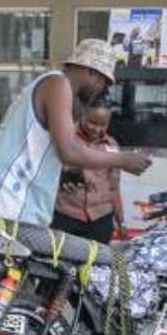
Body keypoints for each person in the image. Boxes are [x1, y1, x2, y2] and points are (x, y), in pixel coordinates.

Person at [0, 39, 151, 228]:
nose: (101, 91)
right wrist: (122, 159)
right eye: (104, 83)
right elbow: (69, 150)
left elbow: (41, 147)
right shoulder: (58, 84)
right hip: (4, 203)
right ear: (92, 72)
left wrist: (62, 175)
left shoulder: (52, 85)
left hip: (9, 205)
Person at [52, 97, 126, 244]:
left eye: (103, 125)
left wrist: (121, 223)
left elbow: (114, 188)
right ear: (82, 114)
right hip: (66, 218)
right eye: (92, 122)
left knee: (96, 265)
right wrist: (60, 177)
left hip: (101, 222)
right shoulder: (63, 139)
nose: (97, 129)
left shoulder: (112, 146)